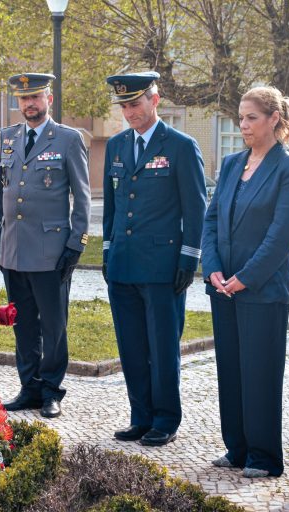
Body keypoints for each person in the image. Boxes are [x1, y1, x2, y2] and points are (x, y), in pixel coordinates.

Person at [201, 86, 289, 478]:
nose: (243, 125)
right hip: (223, 288)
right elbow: (211, 219)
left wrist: (245, 278)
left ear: (273, 119)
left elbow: (281, 237)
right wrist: (212, 267)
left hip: (262, 291)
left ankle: (264, 456)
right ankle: (237, 449)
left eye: (251, 118)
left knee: (259, 373)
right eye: (241, 118)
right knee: (230, 370)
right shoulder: (232, 164)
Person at [102, 71, 206, 447]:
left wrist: (188, 259)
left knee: (162, 348)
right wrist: (108, 251)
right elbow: (112, 206)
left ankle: (165, 419)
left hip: (163, 267)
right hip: (123, 265)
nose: (129, 112)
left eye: (135, 104)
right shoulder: (116, 146)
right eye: (124, 106)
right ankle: (140, 416)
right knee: (131, 347)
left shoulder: (180, 146)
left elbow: (196, 208)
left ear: (155, 100)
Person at [0, 72, 91, 418]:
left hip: (51, 252)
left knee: (53, 326)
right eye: (23, 99)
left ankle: (51, 390)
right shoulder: (8, 137)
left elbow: (82, 197)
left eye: (35, 97)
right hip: (14, 249)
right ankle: (29, 388)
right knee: (23, 324)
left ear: (49, 98)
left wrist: (76, 243)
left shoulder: (68, 139)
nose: (29, 104)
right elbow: (0, 193)